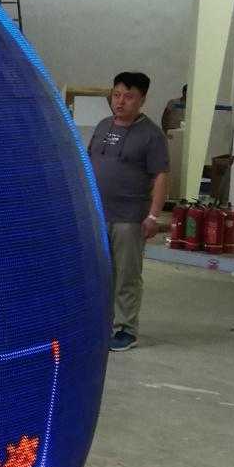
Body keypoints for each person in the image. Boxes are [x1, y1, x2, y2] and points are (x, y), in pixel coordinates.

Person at [88, 71, 169, 351]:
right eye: (117, 95)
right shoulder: (102, 126)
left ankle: (126, 329)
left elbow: (161, 176)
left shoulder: (151, 135)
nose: (120, 102)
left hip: (129, 218)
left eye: (129, 97)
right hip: (98, 216)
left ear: (142, 99)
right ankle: (103, 322)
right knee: (101, 273)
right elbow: (88, 162)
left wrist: (153, 216)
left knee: (126, 275)